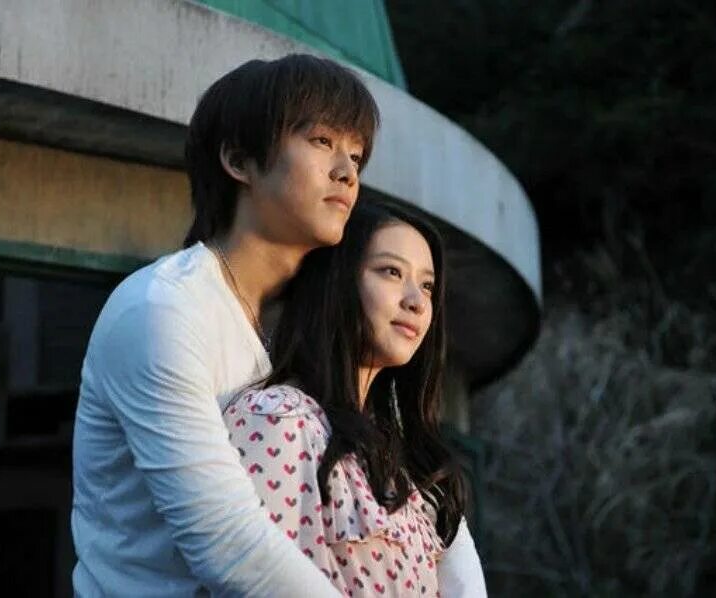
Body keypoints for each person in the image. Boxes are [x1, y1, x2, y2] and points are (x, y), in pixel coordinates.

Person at [71, 54, 379, 597]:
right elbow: (227, 543)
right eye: (321, 141)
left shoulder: (320, 321)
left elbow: (410, 485)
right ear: (239, 161)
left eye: (355, 155)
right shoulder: (164, 310)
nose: (347, 173)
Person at [223, 202, 488, 596]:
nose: (416, 301)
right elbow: (251, 582)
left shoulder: (403, 465)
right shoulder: (277, 419)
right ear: (338, 282)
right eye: (391, 272)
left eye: (427, 285)